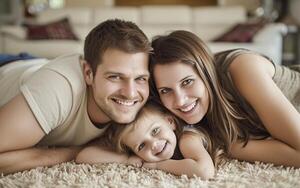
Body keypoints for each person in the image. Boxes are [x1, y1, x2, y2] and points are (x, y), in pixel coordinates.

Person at [0, 19, 151, 175]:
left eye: (140, 78)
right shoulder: (56, 89)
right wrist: (74, 152)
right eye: (115, 77)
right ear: (88, 73)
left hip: (36, 65)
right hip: (8, 67)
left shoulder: (148, 94)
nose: (131, 93)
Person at [149, 30, 300, 167]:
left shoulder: (243, 68)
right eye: (166, 90)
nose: (180, 101)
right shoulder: (176, 116)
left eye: (187, 82)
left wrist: (222, 144)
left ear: (206, 72)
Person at [76, 102, 215, 179]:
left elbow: (204, 171)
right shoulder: (137, 154)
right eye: (142, 145)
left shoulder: (188, 139)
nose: (154, 144)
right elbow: (83, 155)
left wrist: (157, 166)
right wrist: (126, 159)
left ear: (170, 121)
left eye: (155, 131)